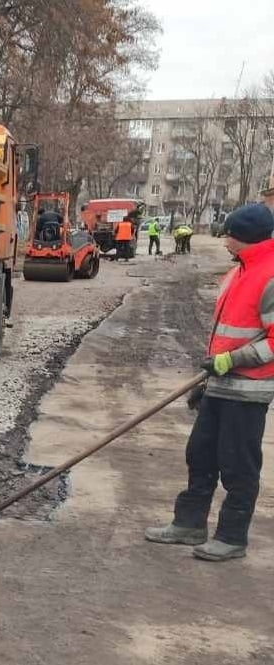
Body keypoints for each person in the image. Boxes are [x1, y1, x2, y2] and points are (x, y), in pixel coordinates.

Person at [146, 204, 274, 561]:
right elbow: (227, 334)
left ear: (245, 238)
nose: (224, 241)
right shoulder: (238, 273)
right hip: (219, 384)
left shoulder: (270, 274)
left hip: (248, 391)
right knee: (200, 454)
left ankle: (232, 537)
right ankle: (189, 524)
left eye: (229, 235)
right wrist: (209, 378)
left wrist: (232, 360)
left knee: (237, 464)